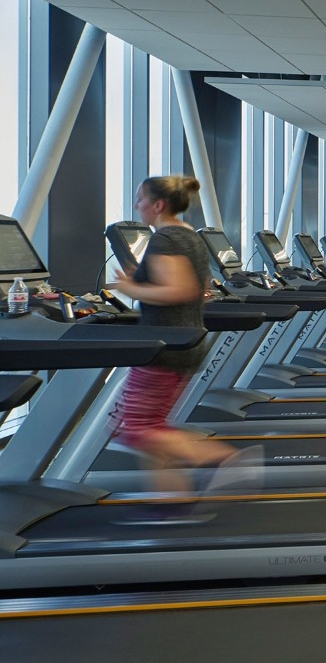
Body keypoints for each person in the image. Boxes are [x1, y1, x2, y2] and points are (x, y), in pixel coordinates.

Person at [111, 175, 243, 511]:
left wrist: (131, 290)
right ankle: (173, 505)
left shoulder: (166, 238)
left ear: (158, 205)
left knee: (135, 429)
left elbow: (181, 289)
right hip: (183, 340)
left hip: (165, 347)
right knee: (155, 430)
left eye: (140, 199)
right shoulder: (188, 235)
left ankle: (222, 458)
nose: (136, 205)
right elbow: (204, 285)